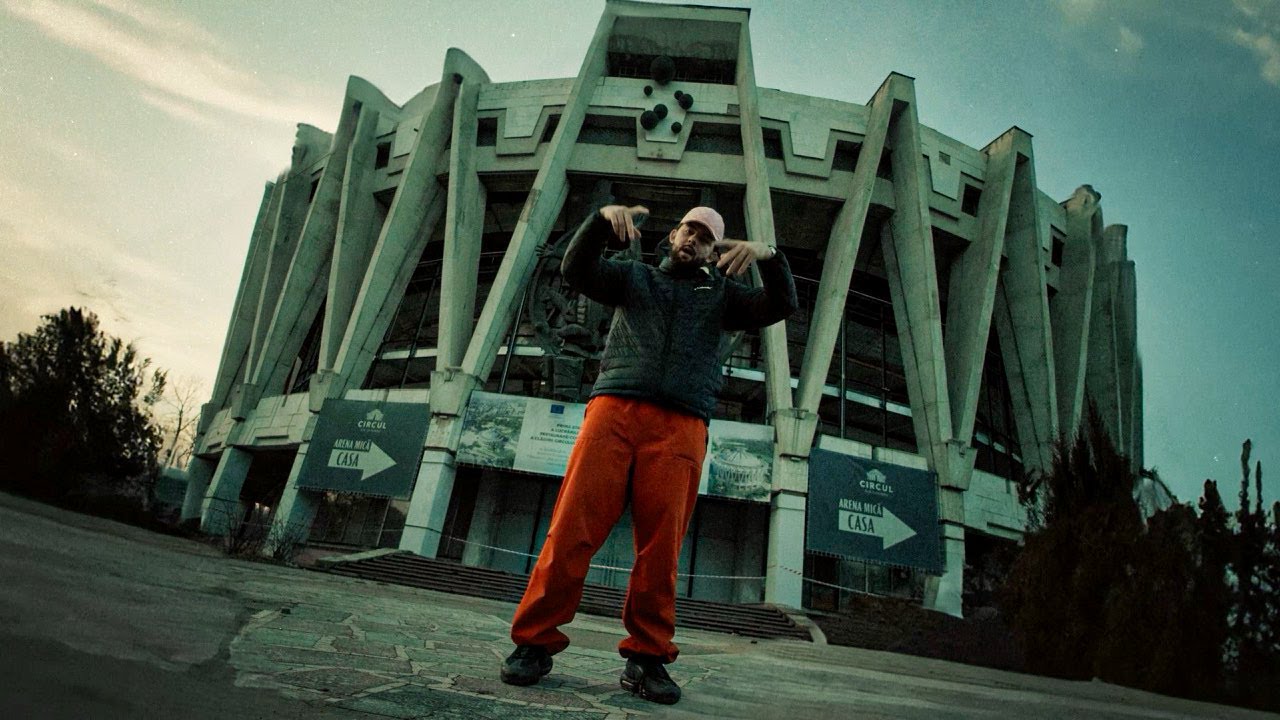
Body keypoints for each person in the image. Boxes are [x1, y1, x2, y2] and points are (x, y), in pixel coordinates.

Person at [499, 203, 797, 704]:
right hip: (614, 410)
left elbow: (780, 305)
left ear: (714, 252)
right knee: (571, 529)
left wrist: (769, 255)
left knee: (661, 550)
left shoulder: (724, 296)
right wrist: (599, 221)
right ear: (673, 235)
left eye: (706, 237)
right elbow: (576, 270)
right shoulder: (634, 277)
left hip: (682, 424)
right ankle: (533, 643)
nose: (693, 240)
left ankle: (647, 656)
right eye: (689, 230)